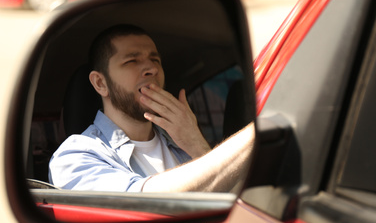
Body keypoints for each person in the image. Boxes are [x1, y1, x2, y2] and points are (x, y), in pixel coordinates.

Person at [48, 24, 254, 192]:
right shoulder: (75, 156)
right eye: (132, 61)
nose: (152, 69)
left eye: (155, 60)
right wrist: (253, 136)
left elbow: (234, 203)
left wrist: (197, 144)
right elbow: (146, 203)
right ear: (101, 83)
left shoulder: (182, 141)